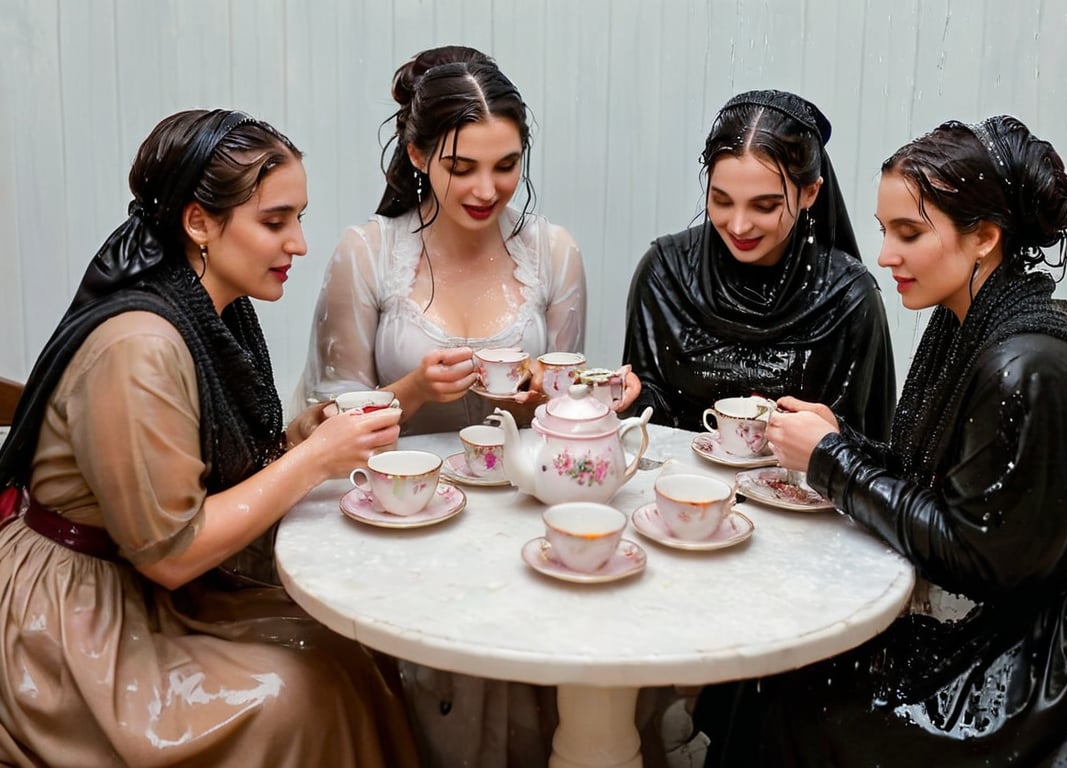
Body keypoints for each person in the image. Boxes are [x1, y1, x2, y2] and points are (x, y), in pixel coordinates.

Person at [695, 115, 1067, 766]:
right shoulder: (970, 319)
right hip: (1028, 621)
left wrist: (833, 462)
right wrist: (839, 439)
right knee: (768, 667)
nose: (885, 256)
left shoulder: (1026, 367)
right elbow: (936, 478)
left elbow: (975, 556)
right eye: (885, 232)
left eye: (909, 233)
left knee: (795, 694)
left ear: (985, 237)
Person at [0, 109, 417, 767]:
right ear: (199, 222)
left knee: (354, 643)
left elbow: (204, 469)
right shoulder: (139, 347)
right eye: (276, 221)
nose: (300, 243)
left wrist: (299, 438)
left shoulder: (214, 308)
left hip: (144, 582)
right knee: (299, 694)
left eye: (299, 218)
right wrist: (311, 460)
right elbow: (172, 551)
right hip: (75, 612)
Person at [295, 45, 635, 438]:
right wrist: (414, 390)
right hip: (401, 492)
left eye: (506, 166)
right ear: (418, 156)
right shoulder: (368, 254)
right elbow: (324, 422)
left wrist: (585, 393)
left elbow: (561, 412)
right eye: (461, 168)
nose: (487, 190)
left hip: (521, 490)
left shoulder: (553, 253)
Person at [622, 89, 895, 439]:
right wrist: (627, 398)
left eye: (764, 206)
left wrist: (834, 439)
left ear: (811, 192)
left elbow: (871, 448)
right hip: (680, 488)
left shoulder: (849, 299)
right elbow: (646, 414)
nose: (738, 226)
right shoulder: (664, 273)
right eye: (721, 200)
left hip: (796, 493)